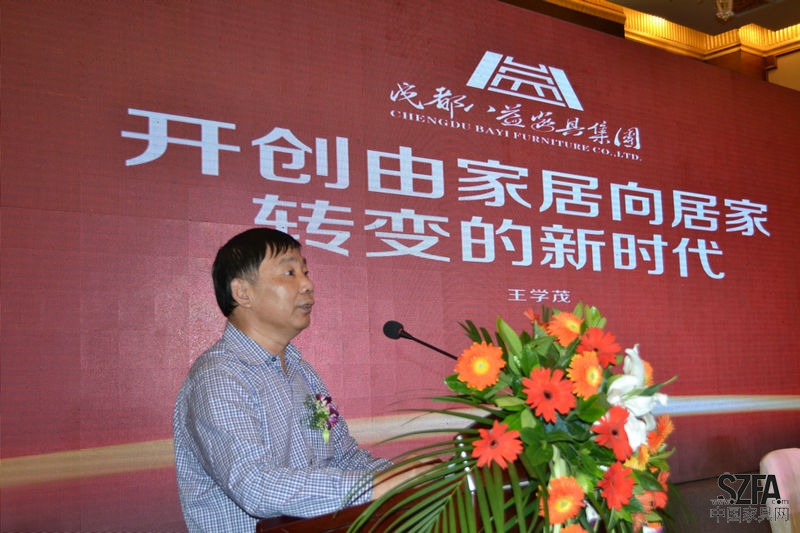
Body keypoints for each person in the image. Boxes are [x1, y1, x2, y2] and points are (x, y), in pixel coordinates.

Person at [173, 228, 420, 533]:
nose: (307, 284)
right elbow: (256, 486)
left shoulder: (304, 375)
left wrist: (414, 476)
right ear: (242, 293)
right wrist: (373, 486)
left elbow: (343, 458)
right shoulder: (218, 377)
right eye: (289, 273)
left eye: (305, 272)